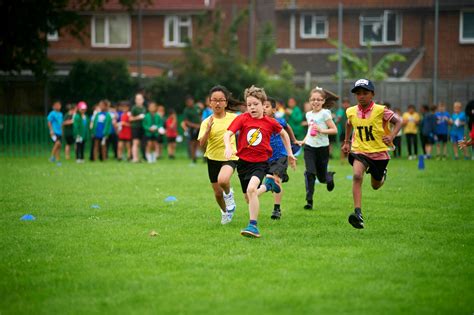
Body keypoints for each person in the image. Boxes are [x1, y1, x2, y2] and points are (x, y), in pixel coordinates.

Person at [224, 85, 296, 238]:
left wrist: (290, 153)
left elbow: (284, 134)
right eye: (249, 105)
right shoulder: (242, 118)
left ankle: (253, 226)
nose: (252, 107)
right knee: (248, 197)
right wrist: (227, 147)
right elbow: (228, 133)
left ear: (263, 105)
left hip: (260, 164)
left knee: (251, 190)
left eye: (255, 104)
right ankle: (268, 185)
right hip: (243, 163)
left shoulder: (270, 122)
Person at [342, 79, 402, 229]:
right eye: (358, 94)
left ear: (372, 94)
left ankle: (382, 176)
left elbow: (399, 121)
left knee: (376, 185)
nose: (361, 96)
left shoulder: (381, 110)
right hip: (359, 150)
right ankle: (358, 213)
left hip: (379, 153)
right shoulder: (351, 111)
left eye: (365, 93)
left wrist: (392, 136)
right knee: (357, 175)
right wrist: (347, 141)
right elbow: (349, 123)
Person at [198, 85, 242, 224]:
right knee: (217, 194)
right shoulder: (207, 122)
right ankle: (225, 212)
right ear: (210, 102)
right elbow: (202, 144)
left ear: (226, 102)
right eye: (214, 100)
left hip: (230, 156)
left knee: (223, 180)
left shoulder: (234, 118)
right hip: (212, 158)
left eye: (221, 100)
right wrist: (208, 131)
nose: (218, 103)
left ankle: (229, 195)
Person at [296, 87, 338, 210]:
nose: (316, 102)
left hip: (322, 149)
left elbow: (334, 130)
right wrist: (303, 141)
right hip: (309, 147)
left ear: (323, 101)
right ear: (309, 101)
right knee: (309, 173)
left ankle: (329, 177)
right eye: (313, 99)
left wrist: (322, 130)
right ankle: (309, 201)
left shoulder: (325, 113)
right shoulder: (308, 114)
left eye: (319, 99)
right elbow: (310, 130)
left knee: (322, 178)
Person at [263, 97, 297, 220]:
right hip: (266, 157)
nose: (263, 108)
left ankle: (276, 209)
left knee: (276, 180)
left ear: (274, 110)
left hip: (280, 155)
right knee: (270, 182)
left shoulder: (279, 121)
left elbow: (287, 128)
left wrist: (293, 141)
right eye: (262, 106)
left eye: (266, 106)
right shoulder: (259, 122)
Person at [183, 95, 201, 163]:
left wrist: (201, 124)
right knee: (192, 143)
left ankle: (204, 157)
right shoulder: (186, 110)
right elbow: (186, 121)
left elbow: (201, 115)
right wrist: (195, 125)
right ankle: (193, 158)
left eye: (191, 101)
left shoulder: (197, 107)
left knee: (200, 142)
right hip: (192, 129)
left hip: (200, 127)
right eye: (188, 102)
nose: (190, 103)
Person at [130, 93, 146, 163]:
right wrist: (138, 117)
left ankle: (138, 157)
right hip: (135, 127)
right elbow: (130, 119)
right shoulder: (134, 108)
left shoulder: (144, 108)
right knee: (135, 142)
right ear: (135, 100)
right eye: (137, 99)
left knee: (140, 143)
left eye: (140, 99)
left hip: (142, 127)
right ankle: (134, 158)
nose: (139, 100)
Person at [336, 97, 351, 163]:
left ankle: (348, 158)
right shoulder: (340, 111)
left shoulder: (351, 111)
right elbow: (337, 120)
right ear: (342, 104)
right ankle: (342, 158)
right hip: (342, 131)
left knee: (350, 145)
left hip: (350, 131)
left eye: (347, 103)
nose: (346, 105)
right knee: (343, 144)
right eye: (344, 103)